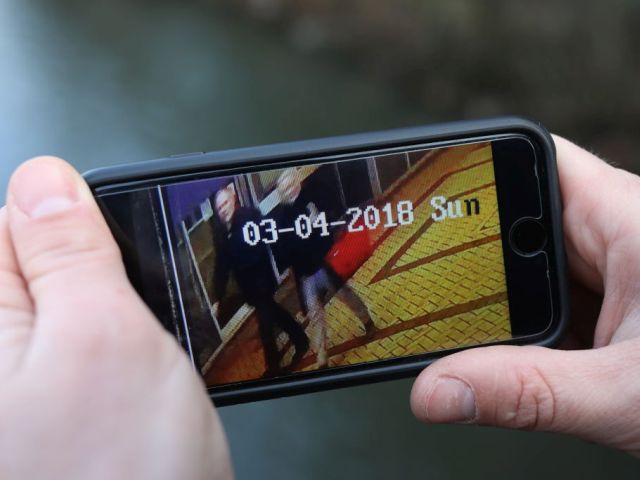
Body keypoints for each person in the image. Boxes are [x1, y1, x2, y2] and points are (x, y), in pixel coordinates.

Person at [0, 135, 639, 479]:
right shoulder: (243, 225)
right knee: (313, 310)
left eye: (234, 198)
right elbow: (242, 258)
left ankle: (328, 341)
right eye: (225, 202)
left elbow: (311, 223)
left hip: (321, 266)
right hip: (302, 277)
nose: (234, 203)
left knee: (339, 299)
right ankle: (320, 347)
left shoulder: (284, 209)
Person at [274, 168, 376, 368]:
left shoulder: (310, 197)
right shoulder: (284, 215)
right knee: (315, 314)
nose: (290, 190)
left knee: (345, 294)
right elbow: (286, 247)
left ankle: (367, 320)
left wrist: (324, 239)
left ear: (297, 182)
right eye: (285, 189)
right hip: (306, 273)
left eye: (291, 185)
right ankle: (322, 356)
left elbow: (325, 224)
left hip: (324, 264)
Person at [210, 187, 309, 376]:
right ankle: (300, 339)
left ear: (233, 200)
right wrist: (218, 298)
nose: (223, 209)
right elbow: (221, 266)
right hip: (250, 288)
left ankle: (273, 368)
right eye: (219, 207)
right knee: (275, 313)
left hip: (262, 281)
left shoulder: (248, 216)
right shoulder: (221, 233)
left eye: (225, 203)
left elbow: (263, 244)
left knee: (265, 325)